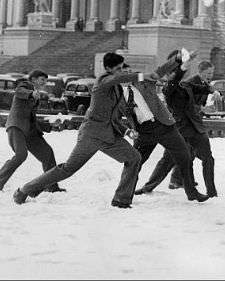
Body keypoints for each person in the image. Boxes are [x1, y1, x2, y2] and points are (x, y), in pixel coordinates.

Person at [12, 52, 143, 208]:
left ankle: (121, 200)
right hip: (90, 136)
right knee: (67, 169)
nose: (122, 71)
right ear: (108, 68)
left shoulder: (117, 91)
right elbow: (117, 78)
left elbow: (113, 119)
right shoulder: (102, 81)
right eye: (118, 68)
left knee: (134, 158)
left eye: (123, 68)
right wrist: (142, 76)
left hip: (109, 137)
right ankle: (25, 190)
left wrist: (127, 131)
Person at [122, 54, 209, 204]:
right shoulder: (116, 94)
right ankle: (125, 194)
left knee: (185, 157)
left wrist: (180, 60)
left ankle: (192, 193)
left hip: (164, 126)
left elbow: (161, 70)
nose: (130, 75)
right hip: (144, 132)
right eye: (124, 73)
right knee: (135, 162)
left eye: (130, 72)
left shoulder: (145, 81)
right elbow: (113, 117)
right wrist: (128, 130)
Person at [0, 69, 65, 193]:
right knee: (21, 155)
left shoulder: (35, 94)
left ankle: (51, 187)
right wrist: (30, 94)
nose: (44, 83)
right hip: (17, 126)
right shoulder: (25, 86)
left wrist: (50, 124)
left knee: (47, 153)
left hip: (30, 131)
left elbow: (32, 118)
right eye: (42, 80)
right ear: (33, 79)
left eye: (46, 81)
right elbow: (18, 91)